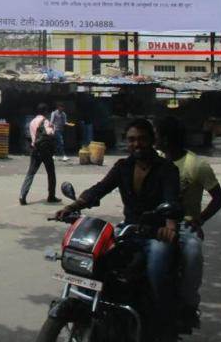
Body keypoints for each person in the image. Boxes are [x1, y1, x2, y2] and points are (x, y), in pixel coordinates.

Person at [55, 118, 180, 341]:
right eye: (132, 140)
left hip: (155, 233)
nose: (137, 144)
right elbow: (100, 189)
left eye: (142, 139)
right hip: (129, 230)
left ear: (152, 140)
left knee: (157, 270)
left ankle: (160, 324)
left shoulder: (166, 169)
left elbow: (171, 201)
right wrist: (72, 206)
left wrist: (169, 228)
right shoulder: (123, 166)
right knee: (98, 263)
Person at [157, 115, 221, 331]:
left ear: (166, 138)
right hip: (155, 222)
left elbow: (219, 198)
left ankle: (189, 305)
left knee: (194, 254)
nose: (154, 139)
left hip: (185, 225)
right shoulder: (155, 160)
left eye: (157, 135)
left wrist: (200, 219)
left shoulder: (197, 165)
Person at [19, 103, 61, 205]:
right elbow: (50, 133)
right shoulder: (45, 121)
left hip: (35, 149)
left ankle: (22, 195)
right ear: (45, 111)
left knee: (31, 173)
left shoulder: (32, 122)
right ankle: (51, 196)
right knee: (51, 173)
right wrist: (53, 127)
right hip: (45, 151)